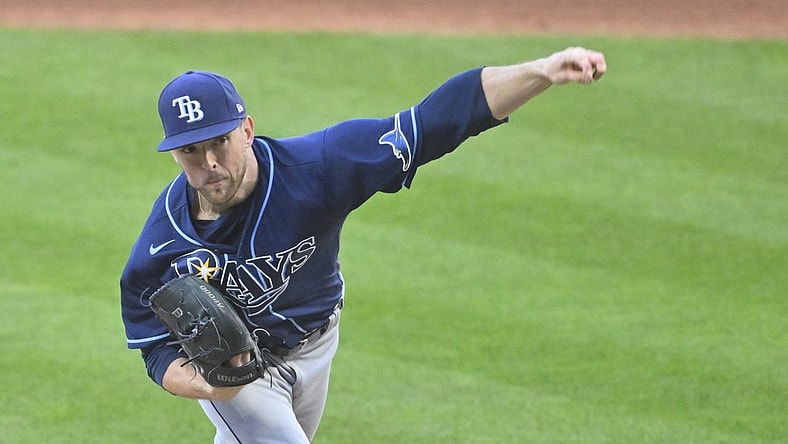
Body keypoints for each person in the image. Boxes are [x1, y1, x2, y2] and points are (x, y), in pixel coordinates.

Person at [120, 46, 607, 443]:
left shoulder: (319, 168)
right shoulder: (165, 241)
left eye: (219, 142)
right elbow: (152, 344)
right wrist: (204, 383)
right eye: (189, 150)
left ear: (246, 131)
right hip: (246, 377)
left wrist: (542, 71)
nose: (208, 162)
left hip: (318, 343)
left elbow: (435, 122)